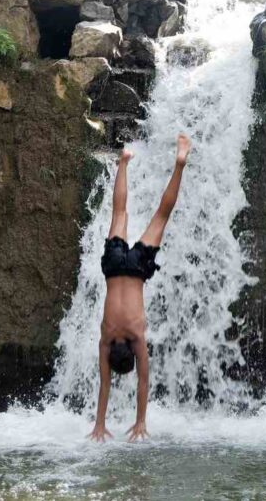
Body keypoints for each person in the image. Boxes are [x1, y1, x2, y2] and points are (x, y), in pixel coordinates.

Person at [87, 134, 191, 443]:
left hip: (137, 270)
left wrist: (140, 422)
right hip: (114, 267)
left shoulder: (136, 337)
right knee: (119, 214)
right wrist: (99, 424)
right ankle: (123, 162)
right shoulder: (106, 337)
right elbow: (105, 385)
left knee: (161, 215)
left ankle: (179, 165)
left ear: (130, 353)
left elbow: (143, 381)